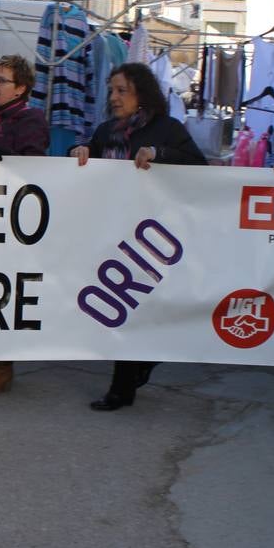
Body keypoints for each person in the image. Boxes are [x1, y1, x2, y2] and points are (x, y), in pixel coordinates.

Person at [72, 62, 206, 412]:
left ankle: (128, 380)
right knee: (124, 309)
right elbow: (85, 170)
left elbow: (199, 166)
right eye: (111, 90)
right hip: (114, 231)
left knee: (144, 310)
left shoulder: (167, 128)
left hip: (155, 235)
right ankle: (127, 381)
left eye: (122, 90)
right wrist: (79, 153)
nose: (113, 97)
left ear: (142, 94)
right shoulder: (104, 132)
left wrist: (159, 155)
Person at [0, 54, 49, 396]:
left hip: (15, 219)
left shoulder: (31, 120)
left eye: (2, 80)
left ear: (21, 88)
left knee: (2, 291)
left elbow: (33, 166)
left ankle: (1, 366)